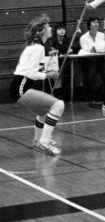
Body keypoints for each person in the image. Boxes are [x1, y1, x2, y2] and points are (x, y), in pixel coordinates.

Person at [9, 14, 64, 156]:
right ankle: (44, 143)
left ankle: (37, 140)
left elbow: (34, 69)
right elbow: (31, 73)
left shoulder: (37, 47)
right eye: (48, 26)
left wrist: (47, 68)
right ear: (42, 31)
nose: (50, 28)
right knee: (58, 105)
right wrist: (48, 75)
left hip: (20, 86)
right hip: (22, 87)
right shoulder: (37, 48)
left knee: (44, 113)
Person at [79, 16, 105, 102]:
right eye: (94, 22)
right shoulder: (83, 38)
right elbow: (87, 51)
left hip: (102, 59)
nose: (96, 24)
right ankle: (92, 96)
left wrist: (96, 49)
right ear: (89, 25)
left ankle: (103, 94)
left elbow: (104, 49)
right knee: (91, 71)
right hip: (89, 61)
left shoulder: (102, 35)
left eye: (97, 22)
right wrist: (97, 49)